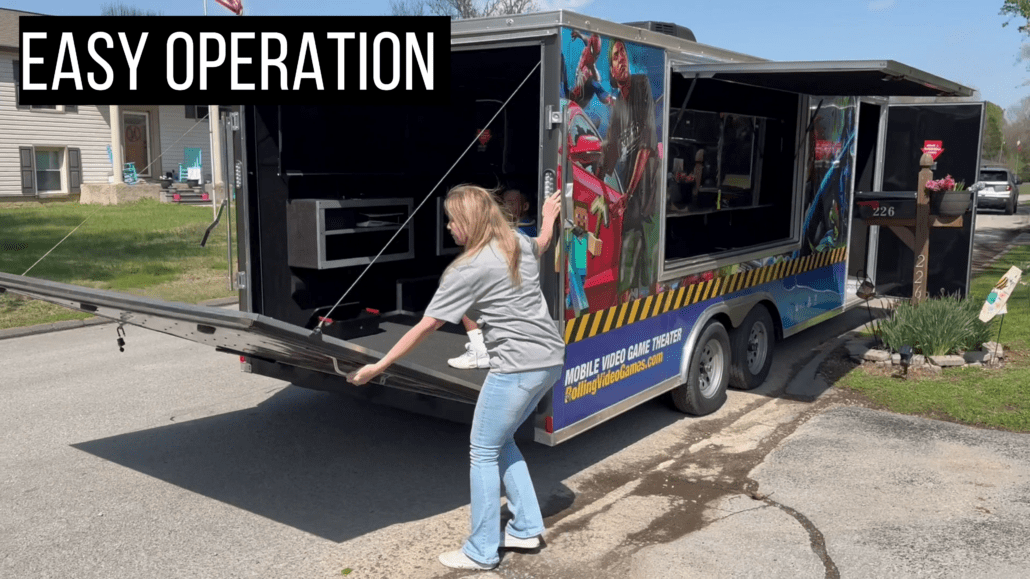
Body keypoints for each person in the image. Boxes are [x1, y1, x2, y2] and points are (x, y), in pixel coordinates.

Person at [347, 185, 566, 571]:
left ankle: (481, 551)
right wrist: (548, 218)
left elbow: (425, 326)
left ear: (469, 221)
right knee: (500, 442)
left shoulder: (468, 269)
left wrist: (379, 366)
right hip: (549, 360)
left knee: (482, 451)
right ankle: (526, 528)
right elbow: (543, 243)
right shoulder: (516, 242)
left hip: (516, 368)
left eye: (452, 220)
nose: (448, 227)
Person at [448, 186, 538, 369]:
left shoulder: (520, 232)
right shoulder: (531, 227)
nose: (505, 206)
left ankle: (480, 351)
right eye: (503, 202)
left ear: (525, 206)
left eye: (511, 203)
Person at [598, 39, 660, 303]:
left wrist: (628, 194)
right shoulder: (618, 112)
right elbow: (609, 155)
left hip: (649, 197)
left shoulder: (641, 85)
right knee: (625, 275)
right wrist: (595, 178)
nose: (621, 58)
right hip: (629, 205)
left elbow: (645, 147)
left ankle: (656, 318)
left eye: (622, 52)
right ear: (612, 71)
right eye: (615, 56)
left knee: (653, 274)